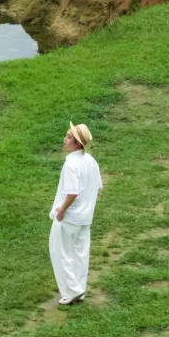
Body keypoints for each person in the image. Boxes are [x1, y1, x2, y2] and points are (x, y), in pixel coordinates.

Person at [49, 122, 103, 308]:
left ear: (78, 144)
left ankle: (71, 291)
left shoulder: (71, 165)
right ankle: (79, 289)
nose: (65, 139)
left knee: (60, 252)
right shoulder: (91, 161)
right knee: (80, 253)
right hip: (85, 217)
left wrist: (61, 211)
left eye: (69, 137)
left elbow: (72, 193)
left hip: (69, 218)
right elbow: (97, 188)